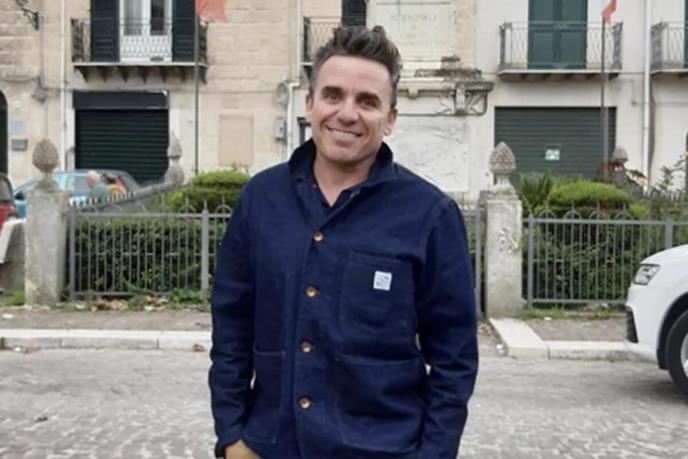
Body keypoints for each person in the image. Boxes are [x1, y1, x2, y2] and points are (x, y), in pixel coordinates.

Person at [209, 25, 478, 459]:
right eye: (333, 95)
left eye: (367, 102)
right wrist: (232, 436)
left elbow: (455, 357)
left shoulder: (430, 216)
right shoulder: (260, 200)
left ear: (390, 119)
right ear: (310, 104)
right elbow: (231, 328)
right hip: (270, 446)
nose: (347, 114)